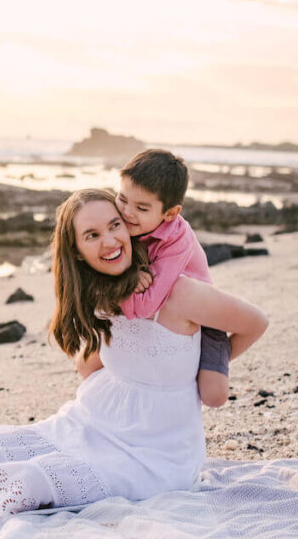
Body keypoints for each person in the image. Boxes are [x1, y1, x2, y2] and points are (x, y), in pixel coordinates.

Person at [0, 188, 268, 516]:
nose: (110, 241)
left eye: (116, 226)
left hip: (158, 452)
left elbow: (256, 322)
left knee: (32, 481)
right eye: (92, 234)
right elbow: (91, 367)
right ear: (78, 251)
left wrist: (197, 371)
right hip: (98, 420)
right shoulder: (103, 294)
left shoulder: (182, 293)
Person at [79, 149, 230, 407]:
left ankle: (196, 361)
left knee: (214, 395)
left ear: (170, 213)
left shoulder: (177, 240)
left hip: (198, 316)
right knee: (85, 366)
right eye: (122, 199)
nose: (127, 212)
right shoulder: (133, 221)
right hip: (155, 313)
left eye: (141, 207)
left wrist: (122, 284)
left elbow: (148, 302)